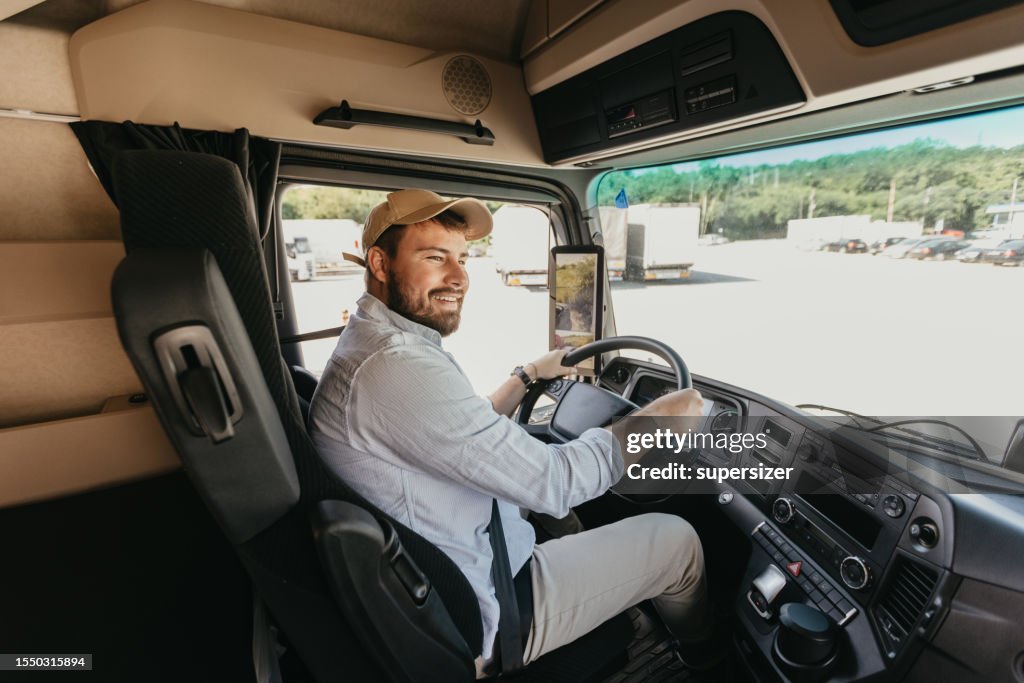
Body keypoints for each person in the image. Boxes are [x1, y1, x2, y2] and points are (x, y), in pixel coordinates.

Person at [309, 189, 711, 676]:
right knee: (677, 540)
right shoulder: (394, 365)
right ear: (379, 262)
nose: (459, 277)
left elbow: (461, 428)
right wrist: (656, 422)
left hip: (451, 564)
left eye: (462, 259)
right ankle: (701, 660)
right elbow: (555, 481)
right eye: (435, 257)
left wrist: (527, 375)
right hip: (487, 607)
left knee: (559, 511)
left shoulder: (378, 344)